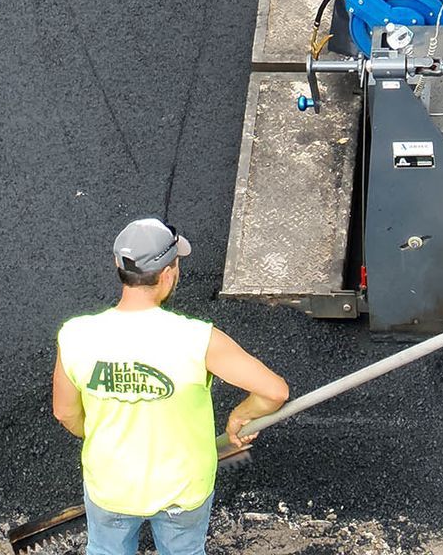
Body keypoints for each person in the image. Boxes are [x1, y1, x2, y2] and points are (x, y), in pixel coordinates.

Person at [53, 217, 289, 555]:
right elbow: (274, 391)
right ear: (167, 274)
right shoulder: (198, 339)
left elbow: (64, 412)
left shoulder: (75, 335)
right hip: (183, 490)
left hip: (110, 485)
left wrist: (102, 436)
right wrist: (241, 415)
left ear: (119, 266)